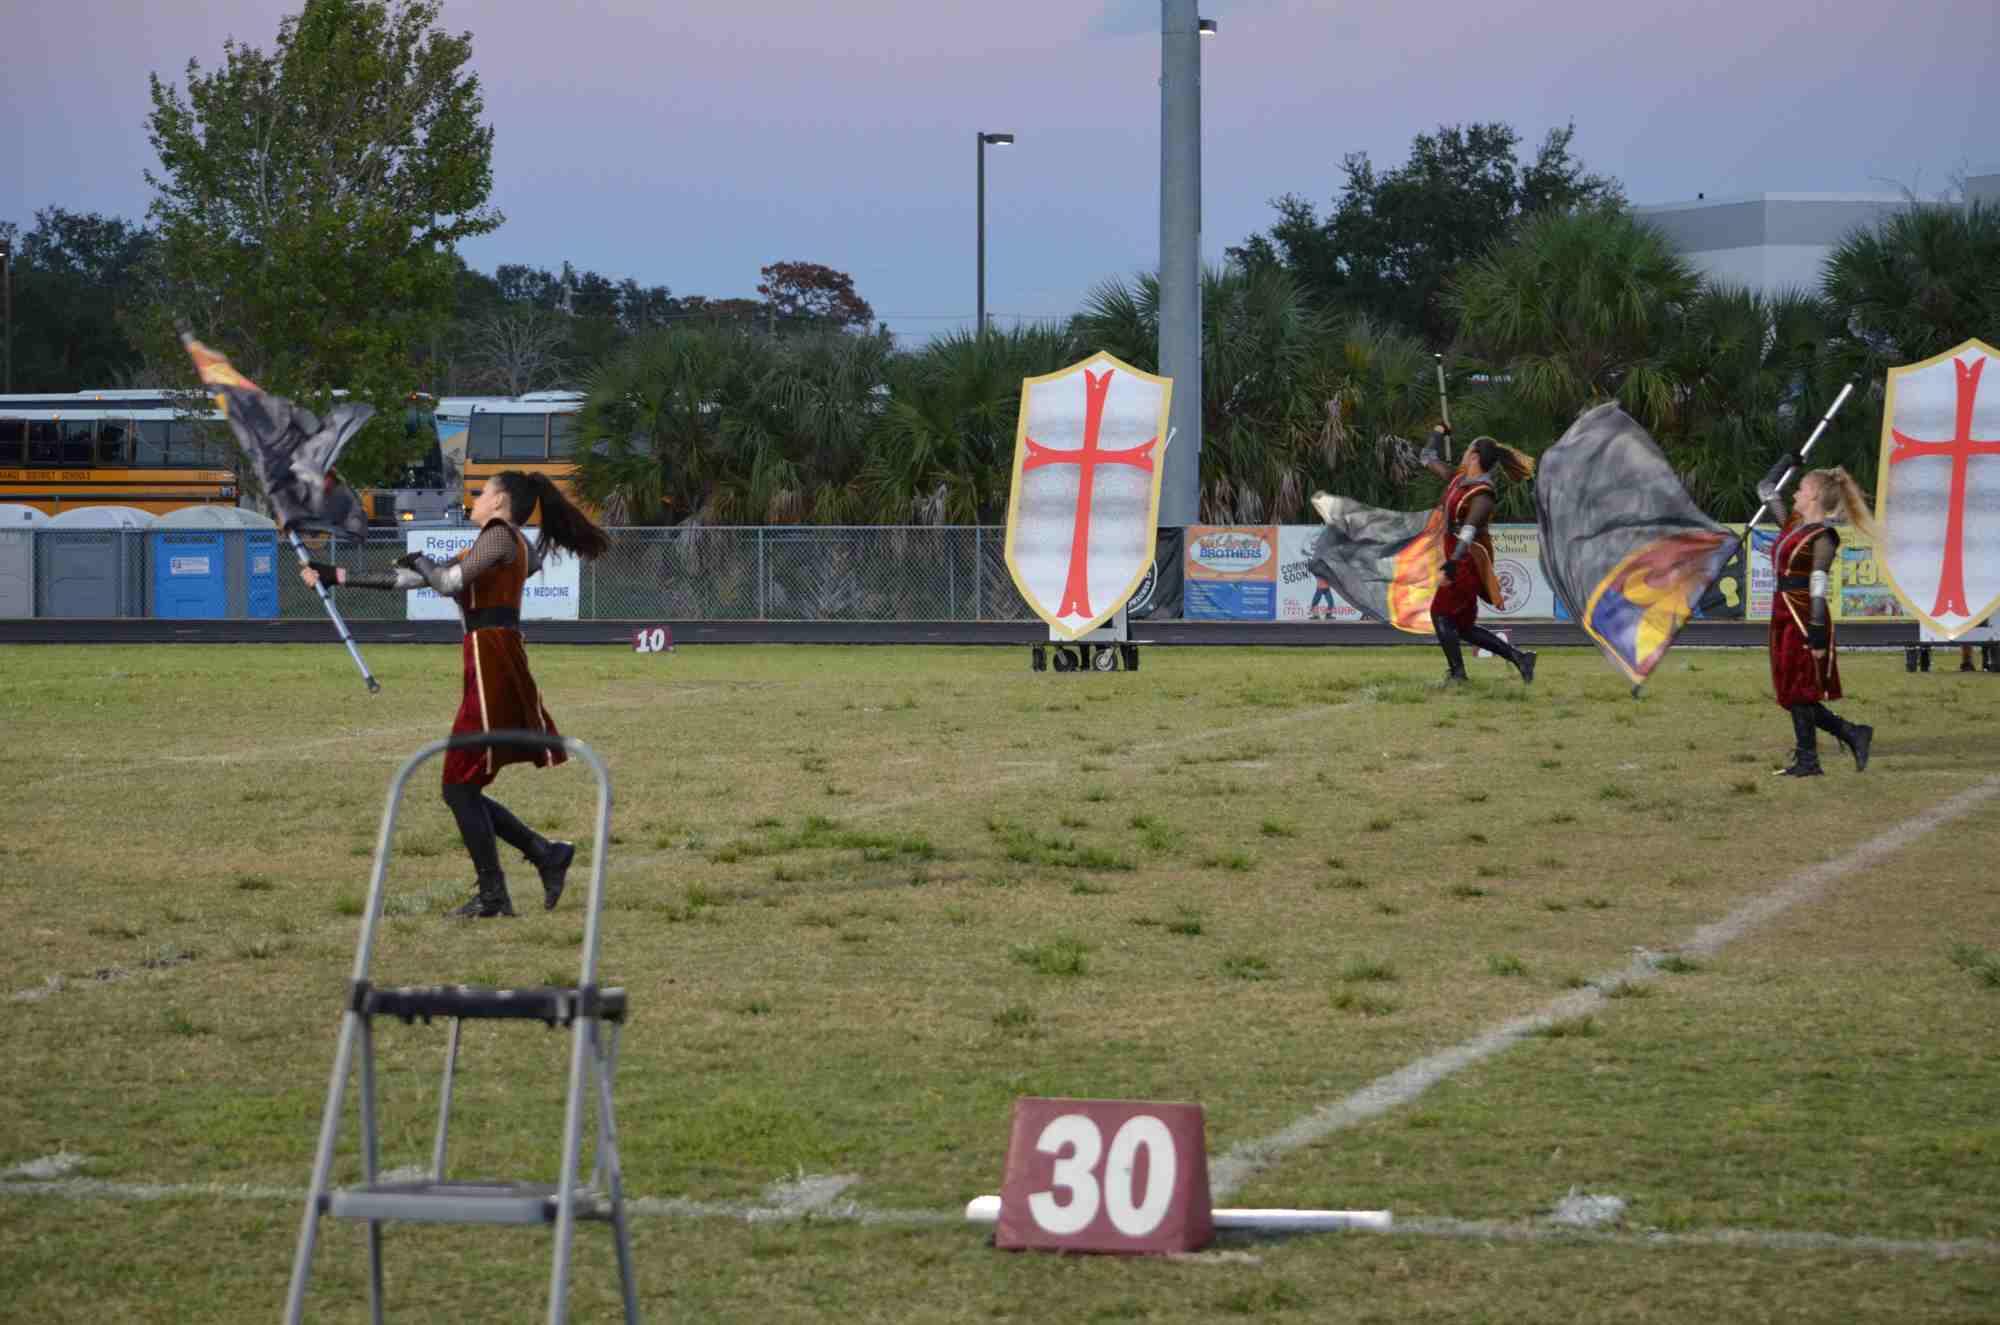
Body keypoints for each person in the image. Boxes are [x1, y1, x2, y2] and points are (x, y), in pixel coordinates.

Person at [302, 470, 611, 916]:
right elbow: (419, 580)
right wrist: (337, 575)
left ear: (501, 502)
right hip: (491, 659)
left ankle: (501, 890)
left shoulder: (500, 536)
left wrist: (421, 559)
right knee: (461, 786)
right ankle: (540, 858)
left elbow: (446, 582)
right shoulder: (502, 542)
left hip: (492, 661)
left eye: (483, 493)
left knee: (458, 785)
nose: (476, 499)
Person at [1756, 455, 1875, 777]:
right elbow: (1765, 488)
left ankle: (1816, 755)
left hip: (1804, 615)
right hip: (1782, 613)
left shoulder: (1823, 536)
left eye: (1800, 488)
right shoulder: (1793, 524)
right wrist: (1787, 461)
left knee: (1799, 690)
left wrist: (1818, 634)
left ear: (1815, 495)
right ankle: (1845, 738)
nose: (1794, 493)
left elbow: (1818, 587)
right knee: (1791, 691)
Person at [1416, 425, 1537, 685]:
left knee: (1440, 613)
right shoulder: (1458, 479)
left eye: (1467, 450)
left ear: (1473, 456)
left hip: (1465, 562)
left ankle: (1458, 675)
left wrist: (1451, 565)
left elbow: (1469, 530)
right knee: (1462, 627)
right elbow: (1426, 457)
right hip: (1455, 556)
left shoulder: (1483, 493)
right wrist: (1438, 431)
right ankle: (1520, 658)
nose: (1463, 454)